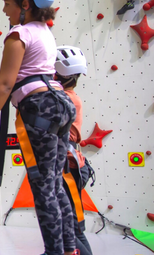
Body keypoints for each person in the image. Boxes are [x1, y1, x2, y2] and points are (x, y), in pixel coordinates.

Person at [0, 0, 77, 255]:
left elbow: (4, 85)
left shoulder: (19, 34)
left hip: (38, 108)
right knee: (56, 183)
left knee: (43, 188)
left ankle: (55, 252)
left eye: (8, 3)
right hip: (60, 105)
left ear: (25, 5)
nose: (4, 9)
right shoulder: (45, 32)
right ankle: (69, 249)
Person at [55, 46, 93, 255]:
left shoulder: (68, 99)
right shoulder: (66, 96)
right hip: (69, 166)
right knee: (70, 228)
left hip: (68, 169)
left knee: (69, 229)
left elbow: (72, 135)